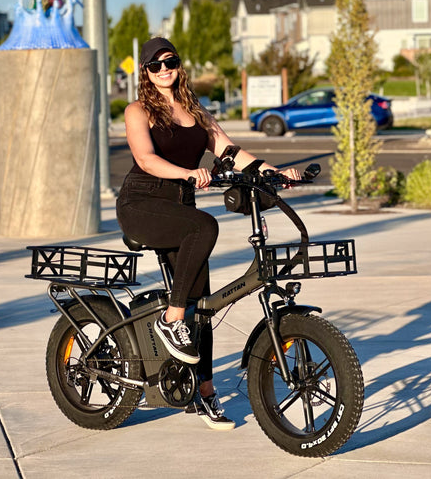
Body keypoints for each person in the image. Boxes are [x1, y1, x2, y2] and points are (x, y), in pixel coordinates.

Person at [116, 36, 300, 431]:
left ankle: (204, 394)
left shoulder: (196, 111)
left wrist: (275, 172)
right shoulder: (138, 111)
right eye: (155, 65)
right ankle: (171, 318)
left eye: (171, 61)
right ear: (145, 72)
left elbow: (230, 152)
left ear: (179, 65)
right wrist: (187, 172)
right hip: (142, 203)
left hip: (180, 206)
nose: (164, 69)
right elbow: (146, 160)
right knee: (206, 227)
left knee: (203, 304)